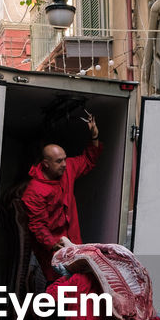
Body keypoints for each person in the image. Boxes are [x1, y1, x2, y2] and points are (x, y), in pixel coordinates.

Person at [21, 113, 101, 282]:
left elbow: (89, 159)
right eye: (59, 161)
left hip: (74, 247)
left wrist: (94, 135)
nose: (64, 164)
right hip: (51, 253)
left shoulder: (68, 169)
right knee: (53, 291)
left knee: (76, 289)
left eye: (64, 159)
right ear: (46, 164)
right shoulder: (34, 191)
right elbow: (38, 226)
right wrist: (55, 245)